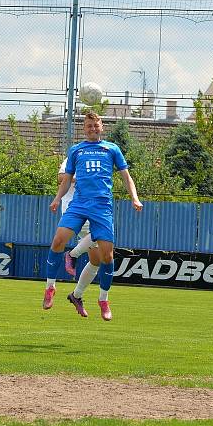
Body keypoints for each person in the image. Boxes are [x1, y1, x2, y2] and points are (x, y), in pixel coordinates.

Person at [42, 111, 143, 320]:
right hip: (79, 205)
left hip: (101, 207)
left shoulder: (111, 149)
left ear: (102, 127)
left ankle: (103, 299)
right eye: (89, 126)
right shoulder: (76, 150)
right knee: (58, 241)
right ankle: (50, 287)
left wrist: (135, 197)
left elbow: (126, 176)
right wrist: (56, 199)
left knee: (106, 257)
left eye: (96, 125)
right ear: (84, 128)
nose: (92, 129)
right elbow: (66, 179)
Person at [59, 157, 97, 278]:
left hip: (91, 208)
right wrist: (82, 178)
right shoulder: (75, 156)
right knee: (101, 232)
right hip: (74, 208)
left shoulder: (99, 160)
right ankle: (72, 254)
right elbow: (60, 177)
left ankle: (76, 294)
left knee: (97, 260)